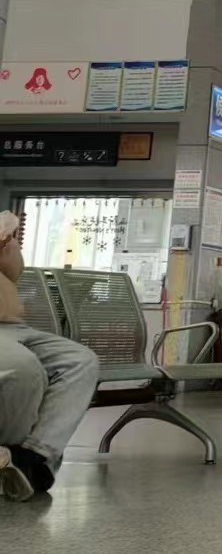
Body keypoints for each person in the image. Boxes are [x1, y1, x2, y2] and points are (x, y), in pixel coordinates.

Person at [0, 212, 100, 502]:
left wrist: (8, 244)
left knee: (79, 361)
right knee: (22, 367)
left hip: (12, 325)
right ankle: (9, 461)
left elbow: (14, 272)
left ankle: (31, 456)